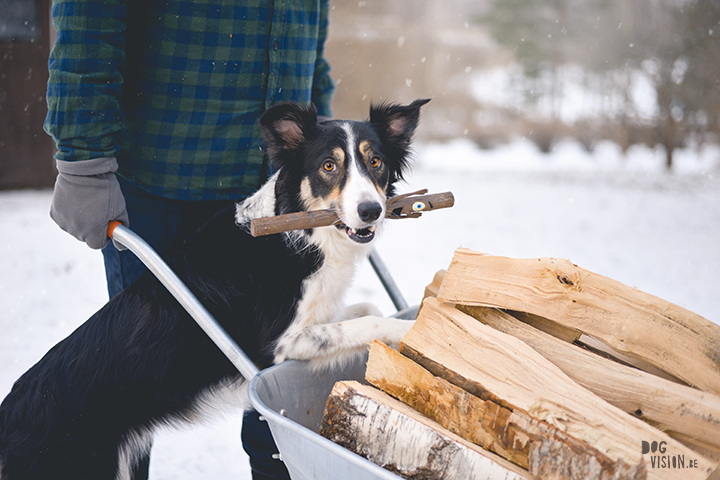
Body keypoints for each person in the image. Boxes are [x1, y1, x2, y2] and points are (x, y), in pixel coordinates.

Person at [43, 0, 335, 479]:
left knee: (286, 379)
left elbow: (310, 30)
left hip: (276, 193)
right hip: (165, 179)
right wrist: (83, 159)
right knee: (129, 392)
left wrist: (326, 138)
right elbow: (89, 19)